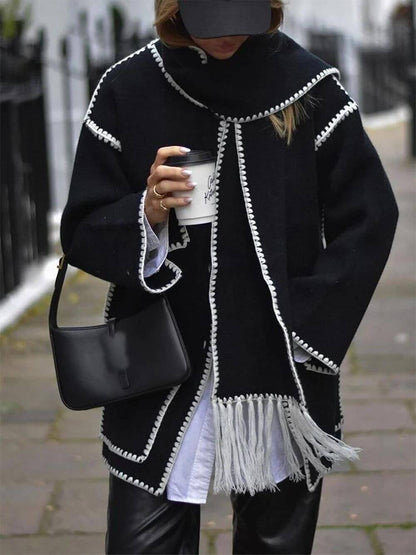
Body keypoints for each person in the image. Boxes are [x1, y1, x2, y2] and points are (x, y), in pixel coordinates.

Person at [60, 0, 399, 553]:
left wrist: (307, 330)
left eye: (243, 17)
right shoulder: (128, 87)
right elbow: (81, 229)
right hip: (162, 370)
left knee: (275, 540)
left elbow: (370, 217)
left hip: (281, 374)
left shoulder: (310, 87)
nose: (227, 37)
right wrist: (145, 210)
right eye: (209, 22)